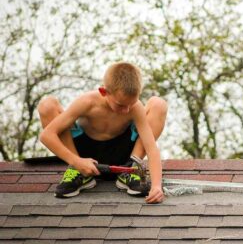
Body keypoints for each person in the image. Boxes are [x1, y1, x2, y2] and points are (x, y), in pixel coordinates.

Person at [38, 62, 168, 203]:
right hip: (84, 154)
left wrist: (156, 186)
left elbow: (152, 148)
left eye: (131, 103)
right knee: (47, 105)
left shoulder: (135, 108)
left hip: (122, 153)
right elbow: (46, 135)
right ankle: (77, 171)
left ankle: (131, 167)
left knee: (158, 104)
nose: (127, 110)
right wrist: (76, 161)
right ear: (103, 92)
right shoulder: (87, 102)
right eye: (121, 105)